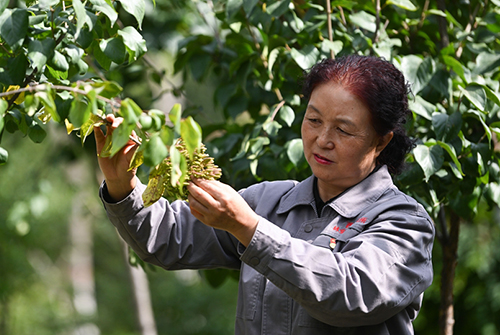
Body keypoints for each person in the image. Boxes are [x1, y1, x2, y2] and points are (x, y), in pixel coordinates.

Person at [95, 55, 435, 335]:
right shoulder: (269, 202)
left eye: (344, 129)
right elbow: (169, 238)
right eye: (313, 120)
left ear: (381, 141)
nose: (322, 139)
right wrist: (121, 186)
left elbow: (352, 293)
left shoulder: (405, 224)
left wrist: (250, 229)